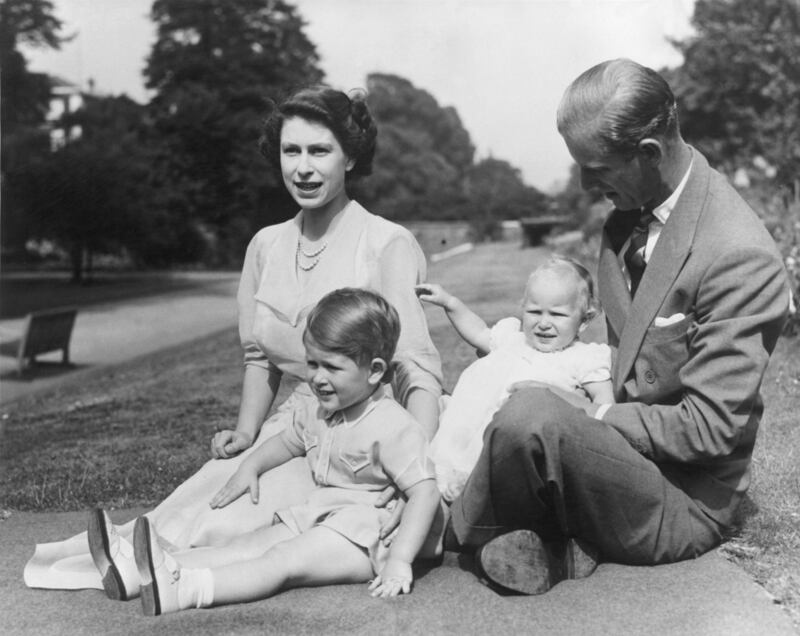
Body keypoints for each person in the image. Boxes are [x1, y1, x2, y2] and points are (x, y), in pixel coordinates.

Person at [24, 86, 443, 597]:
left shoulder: (385, 242)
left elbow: (415, 369)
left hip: (360, 434)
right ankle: (136, 558)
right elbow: (258, 358)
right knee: (210, 490)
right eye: (292, 152)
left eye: (320, 151)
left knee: (233, 518)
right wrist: (247, 434)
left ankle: (164, 573)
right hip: (295, 422)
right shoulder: (266, 245)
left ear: (351, 156)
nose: (304, 168)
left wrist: (410, 474)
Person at [446, 58, 791, 596]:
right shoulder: (629, 218)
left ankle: (440, 527)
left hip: (680, 495)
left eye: (596, 168)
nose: (585, 184)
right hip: (619, 454)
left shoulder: (739, 255)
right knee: (500, 393)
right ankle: (548, 538)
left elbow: (710, 429)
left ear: (649, 153)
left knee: (530, 415)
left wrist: (593, 413)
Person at [92, 288, 441, 615]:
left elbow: (424, 492)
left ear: (375, 371)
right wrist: (252, 466)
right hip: (322, 513)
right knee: (248, 545)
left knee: (282, 560)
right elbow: (289, 441)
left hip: (369, 537)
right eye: (312, 364)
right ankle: (139, 576)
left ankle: (186, 591)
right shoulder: (322, 409)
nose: (318, 378)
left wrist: (400, 559)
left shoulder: (393, 426)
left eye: (332, 367)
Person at [416, 255, 613, 502]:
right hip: (469, 427)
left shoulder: (584, 358)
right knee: (443, 440)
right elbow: (478, 332)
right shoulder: (513, 339)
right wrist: (449, 302)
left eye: (557, 315)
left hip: (517, 446)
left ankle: (474, 486)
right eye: (533, 311)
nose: (543, 323)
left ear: (584, 320)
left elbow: (604, 405)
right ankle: (438, 481)